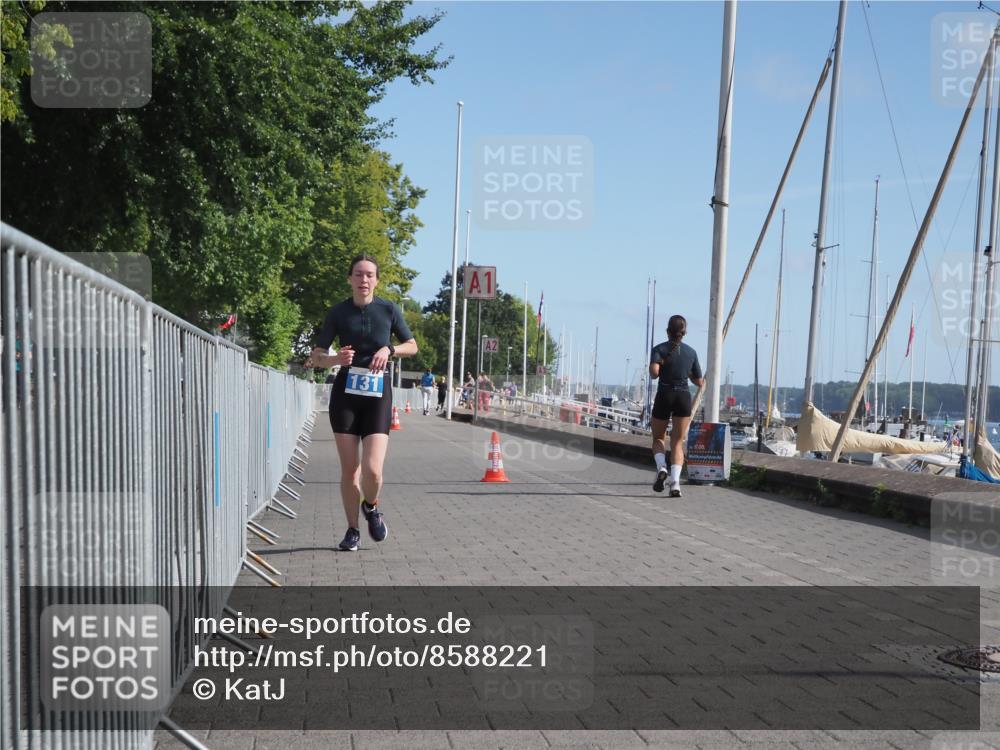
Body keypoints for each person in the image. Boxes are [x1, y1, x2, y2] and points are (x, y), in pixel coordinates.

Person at [305, 254, 417, 552]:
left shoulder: (388, 309)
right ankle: (353, 529)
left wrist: (389, 349)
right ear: (350, 279)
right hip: (346, 394)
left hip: (377, 394)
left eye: (369, 275)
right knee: (350, 470)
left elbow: (412, 346)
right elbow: (316, 357)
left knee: (373, 470)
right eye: (358, 274)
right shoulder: (338, 312)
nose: (363, 279)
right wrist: (335, 359)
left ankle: (372, 505)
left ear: (376, 280)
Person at [649, 314, 704, 497]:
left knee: (658, 439)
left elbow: (654, 373)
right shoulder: (691, 352)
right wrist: (686, 372)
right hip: (683, 396)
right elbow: (699, 382)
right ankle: (675, 484)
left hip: (665, 394)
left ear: (668, 331)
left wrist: (660, 365)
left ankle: (661, 467)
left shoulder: (659, 349)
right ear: (684, 332)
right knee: (677, 442)